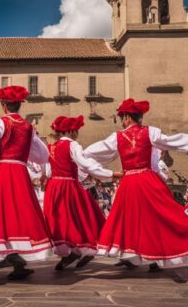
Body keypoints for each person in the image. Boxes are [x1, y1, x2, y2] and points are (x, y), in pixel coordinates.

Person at [84, 98, 188, 272]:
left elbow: (91, 152)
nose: (123, 121)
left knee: (130, 220)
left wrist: (95, 167)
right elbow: (173, 142)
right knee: (161, 216)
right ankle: (154, 254)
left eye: (123, 117)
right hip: (147, 180)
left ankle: (137, 254)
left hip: (129, 183)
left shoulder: (117, 137)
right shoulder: (150, 132)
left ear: (128, 118)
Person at [0, 86, 51, 280]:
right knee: (21, 213)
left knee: (1, 213)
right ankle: (17, 259)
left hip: (4, 172)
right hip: (20, 172)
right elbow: (43, 155)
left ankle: (7, 255)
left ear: (4, 106)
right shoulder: (29, 127)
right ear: (18, 106)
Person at [44, 115, 117, 271]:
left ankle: (71, 252)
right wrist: (111, 174)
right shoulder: (73, 145)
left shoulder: (51, 147)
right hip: (68, 186)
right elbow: (86, 164)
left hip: (53, 187)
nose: (77, 133)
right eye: (76, 131)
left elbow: (48, 170)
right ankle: (83, 248)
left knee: (60, 219)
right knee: (82, 217)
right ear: (71, 131)